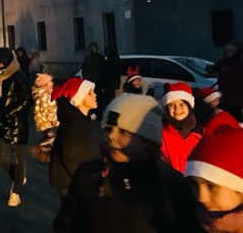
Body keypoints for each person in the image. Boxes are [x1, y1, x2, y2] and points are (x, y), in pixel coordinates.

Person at [54, 93, 202, 233]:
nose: (111, 136)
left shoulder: (174, 187)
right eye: (108, 129)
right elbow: (66, 225)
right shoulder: (88, 175)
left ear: (148, 139)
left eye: (123, 131)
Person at [0, 46, 31, 208]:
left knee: (18, 157)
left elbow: (27, 99)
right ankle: (17, 176)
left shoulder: (19, 76)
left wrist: (11, 112)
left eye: (0, 62)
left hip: (16, 124)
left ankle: (16, 192)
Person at [48, 77, 98, 199]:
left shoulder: (79, 119)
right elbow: (71, 157)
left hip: (73, 179)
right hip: (70, 182)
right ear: (79, 99)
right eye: (89, 93)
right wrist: (85, 181)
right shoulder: (74, 122)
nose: (95, 95)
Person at [160, 82, 202, 173]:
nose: (177, 109)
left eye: (182, 104)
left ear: (189, 106)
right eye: (171, 105)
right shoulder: (161, 134)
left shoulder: (200, 133)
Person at [213, 44, 243, 130]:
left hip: (239, 88)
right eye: (227, 51)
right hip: (227, 89)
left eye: (230, 51)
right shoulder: (223, 61)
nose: (228, 53)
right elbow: (216, 68)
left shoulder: (241, 62)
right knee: (229, 107)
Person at [31, 73, 59, 161]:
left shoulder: (42, 94)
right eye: (49, 82)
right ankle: (42, 150)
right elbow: (46, 109)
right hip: (48, 122)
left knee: (50, 137)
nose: (51, 84)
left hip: (43, 122)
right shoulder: (46, 95)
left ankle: (44, 151)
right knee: (52, 138)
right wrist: (54, 120)